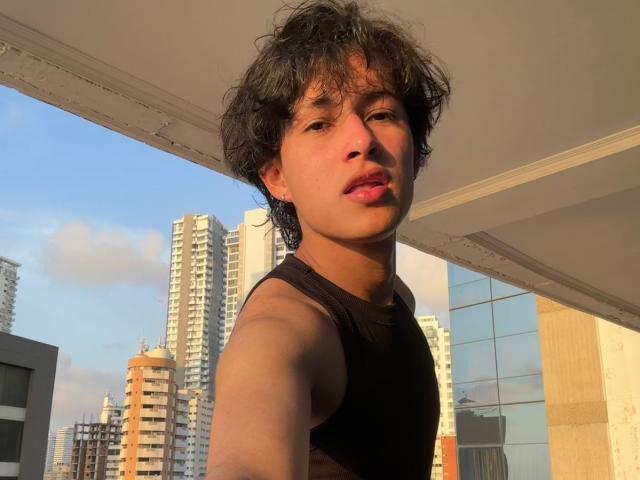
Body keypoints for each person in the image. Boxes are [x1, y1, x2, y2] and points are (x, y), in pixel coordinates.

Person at [207, 1, 450, 478]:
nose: (361, 140)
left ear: (414, 151)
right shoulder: (281, 331)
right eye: (319, 123)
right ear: (277, 177)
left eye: (381, 113)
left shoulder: (398, 299)